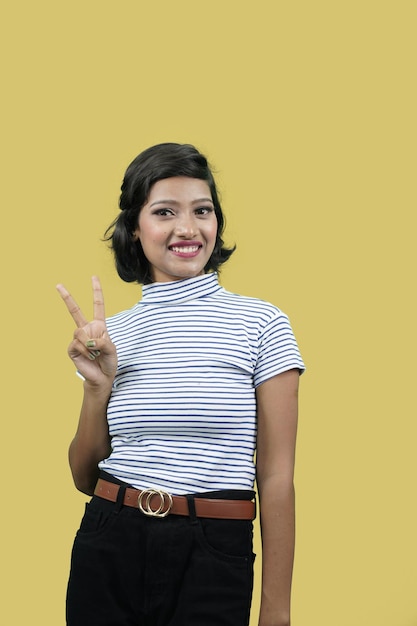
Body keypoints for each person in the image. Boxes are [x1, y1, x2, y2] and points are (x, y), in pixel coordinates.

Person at [57, 142, 305, 626]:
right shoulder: (112, 336)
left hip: (214, 549)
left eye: (202, 211)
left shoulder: (263, 324)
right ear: (135, 226)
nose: (187, 229)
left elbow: (275, 477)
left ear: (217, 223)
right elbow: (84, 477)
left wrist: (277, 609)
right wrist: (96, 389)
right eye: (164, 211)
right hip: (109, 538)